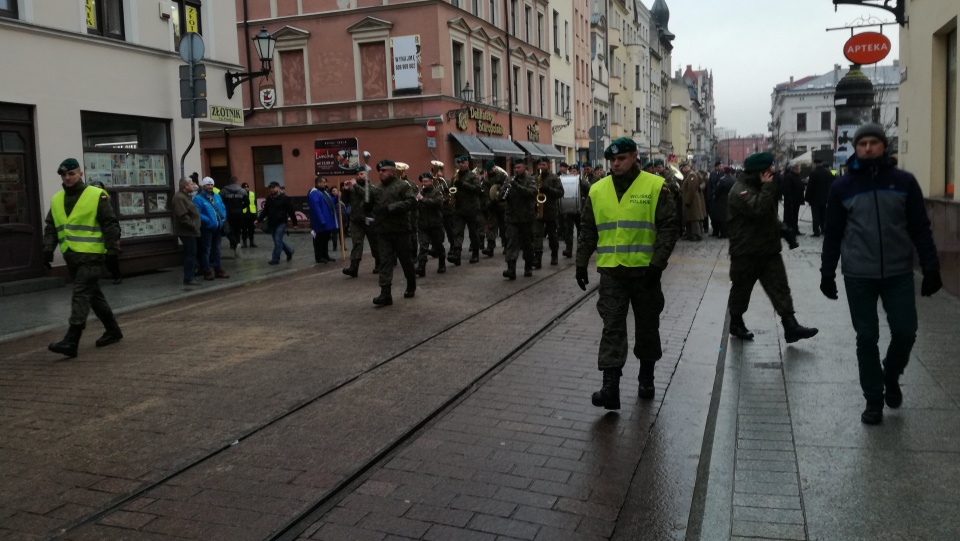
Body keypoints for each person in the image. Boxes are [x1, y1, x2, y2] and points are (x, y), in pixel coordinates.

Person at [819, 123, 942, 425]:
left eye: (874, 142)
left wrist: (931, 267)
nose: (868, 148)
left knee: (905, 330)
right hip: (858, 272)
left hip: (898, 271)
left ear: (884, 146)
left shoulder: (904, 182)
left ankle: (891, 373)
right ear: (856, 148)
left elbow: (920, 227)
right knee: (867, 337)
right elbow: (833, 233)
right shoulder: (842, 187)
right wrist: (827, 273)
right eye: (863, 144)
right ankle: (873, 399)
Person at [575, 138, 679, 408]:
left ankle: (646, 377)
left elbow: (669, 227)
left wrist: (658, 264)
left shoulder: (655, 186)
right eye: (612, 160)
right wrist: (581, 261)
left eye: (621, 158)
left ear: (634, 157)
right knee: (612, 327)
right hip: (612, 272)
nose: (616, 164)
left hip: (646, 272)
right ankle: (610, 387)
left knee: (647, 327)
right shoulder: (598, 190)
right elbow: (587, 230)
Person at [726, 152, 817, 343]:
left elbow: (768, 216)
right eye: (770, 170)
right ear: (760, 172)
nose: (774, 173)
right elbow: (758, 209)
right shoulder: (740, 190)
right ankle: (736, 323)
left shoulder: (760, 187)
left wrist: (784, 230)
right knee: (741, 290)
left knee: (780, 288)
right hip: (746, 252)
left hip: (768, 250)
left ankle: (790, 325)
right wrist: (768, 188)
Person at [43, 158, 123, 358]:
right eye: (64, 175)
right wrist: (47, 249)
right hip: (71, 256)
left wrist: (113, 250)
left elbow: (110, 224)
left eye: (71, 174)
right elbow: (51, 228)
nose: (67, 178)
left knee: (80, 293)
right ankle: (113, 331)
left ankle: (72, 339)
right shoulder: (57, 199)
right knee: (93, 296)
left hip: (92, 255)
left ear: (80, 174)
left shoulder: (96, 195)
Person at [368, 160, 418, 305]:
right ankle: (385, 293)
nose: (381, 173)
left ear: (392, 171)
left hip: (400, 230)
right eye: (379, 170)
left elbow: (412, 202)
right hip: (383, 231)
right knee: (385, 261)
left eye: (384, 170)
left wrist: (391, 208)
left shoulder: (403, 186)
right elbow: (368, 205)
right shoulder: (376, 189)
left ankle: (411, 283)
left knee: (405, 260)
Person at [501, 158, 538, 279]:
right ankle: (511, 269)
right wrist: (503, 192)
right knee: (511, 243)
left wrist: (517, 186)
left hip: (527, 218)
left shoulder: (530, 180)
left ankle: (528, 267)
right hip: (512, 218)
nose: (516, 170)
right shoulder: (509, 180)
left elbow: (532, 193)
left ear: (524, 168)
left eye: (519, 168)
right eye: (515, 168)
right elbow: (501, 194)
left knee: (528, 244)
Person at [342, 168, 380, 277]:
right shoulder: (353, 188)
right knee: (357, 244)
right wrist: (345, 190)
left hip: (370, 220)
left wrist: (355, 186)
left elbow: (367, 196)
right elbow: (345, 201)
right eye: (357, 174)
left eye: (362, 174)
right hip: (356, 220)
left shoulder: (372, 186)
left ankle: (379, 264)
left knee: (375, 243)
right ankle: (354, 268)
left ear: (366, 175)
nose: (359, 176)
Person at [448, 155, 483, 265]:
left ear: (467, 164)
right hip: (459, 209)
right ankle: (457, 254)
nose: (461, 165)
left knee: (473, 233)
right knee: (457, 232)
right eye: (459, 163)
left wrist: (463, 184)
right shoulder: (455, 177)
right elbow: (451, 189)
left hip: (472, 209)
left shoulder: (473, 176)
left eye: (463, 163)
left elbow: (477, 190)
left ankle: (475, 253)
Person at [194, 177, 229, 280]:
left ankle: (218, 269)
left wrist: (223, 218)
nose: (210, 186)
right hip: (207, 228)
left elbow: (223, 208)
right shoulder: (198, 198)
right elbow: (197, 214)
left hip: (218, 227)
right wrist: (209, 221)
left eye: (211, 185)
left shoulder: (217, 196)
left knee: (217, 250)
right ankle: (206, 270)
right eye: (207, 185)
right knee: (206, 250)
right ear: (203, 186)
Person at [533, 157, 565, 267]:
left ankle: (554, 255)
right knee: (537, 235)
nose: (541, 167)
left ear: (548, 166)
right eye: (540, 165)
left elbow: (561, 192)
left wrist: (548, 190)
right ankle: (537, 259)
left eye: (543, 165)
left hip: (551, 211)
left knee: (552, 235)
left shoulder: (554, 178)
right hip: (538, 211)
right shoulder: (535, 178)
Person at [258, 181, 298, 265]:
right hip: (271, 223)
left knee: (277, 240)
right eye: (271, 188)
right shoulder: (269, 198)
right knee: (278, 241)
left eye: (273, 187)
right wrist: (258, 219)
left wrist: (295, 223)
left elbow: (291, 211)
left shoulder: (284, 198)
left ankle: (275, 259)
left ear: (278, 188)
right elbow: (265, 210)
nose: (272, 189)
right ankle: (289, 251)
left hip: (281, 223)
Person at [415, 172, 446, 276]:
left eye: (426, 181)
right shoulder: (420, 193)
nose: (424, 183)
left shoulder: (437, 191)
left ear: (431, 181)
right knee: (423, 246)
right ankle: (421, 267)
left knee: (438, 245)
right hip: (423, 224)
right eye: (423, 182)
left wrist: (423, 199)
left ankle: (442, 263)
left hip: (435, 224)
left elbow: (437, 203)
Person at [173, 178, 202, 285]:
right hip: (187, 231)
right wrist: (193, 226)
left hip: (191, 231)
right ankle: (189, 277)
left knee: (192, 254)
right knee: (190, 254)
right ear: (185, 186)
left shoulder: (186, 196)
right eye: (191, 184)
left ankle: (191, 275)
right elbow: (182, 216)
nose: (193, 185)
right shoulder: (179, 198)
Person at [308, 176, 338, 264]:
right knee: (319, 240)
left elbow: (330, 202)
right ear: (318, 183)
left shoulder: (324, 192)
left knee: (325, 239)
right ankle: (319, 257)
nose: (326, 184)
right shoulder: (314, 193)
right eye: (324, 182)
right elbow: (316, 208)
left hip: (327, 220)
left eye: (326, 182)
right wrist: (321, 219)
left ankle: (325, 255)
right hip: (320, 222)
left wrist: (336, 197)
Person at [481, 160, 508, 257]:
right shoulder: (486, 179)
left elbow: (505, 188)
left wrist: (497, 198)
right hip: (492, 206)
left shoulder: (502, 176)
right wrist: (488, 202)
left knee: (504, 227)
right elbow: (485, 192)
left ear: (494, 167)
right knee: (491, 226)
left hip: (502, 205)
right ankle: (490, 246)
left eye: (491, 169)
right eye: (488, 170)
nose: (490, 171)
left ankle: (506, 246)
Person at [219, 176, 247, 257]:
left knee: (228, 230)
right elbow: (247, 202)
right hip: (239, 213)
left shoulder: (224, 191)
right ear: (236, 182)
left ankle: (234, 244)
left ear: (229, 182)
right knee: (238, 230)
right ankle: (236, 245)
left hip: (228, 213)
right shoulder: (242, 191)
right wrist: (241, 208)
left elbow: (221, 202)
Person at [805, 158, 834, 236]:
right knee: (823, 215)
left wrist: (807, 197)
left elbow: (810, 187)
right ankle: (824, 229)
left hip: (815, 199)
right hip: (825, 198)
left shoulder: (813, 173)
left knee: (815, 216)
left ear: (815, 164)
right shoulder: (828, 173)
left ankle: (816, 231)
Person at [680, 162, 705, 241]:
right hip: (690, 200)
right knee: (689, 218)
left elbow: (691, 190)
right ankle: (690, 234)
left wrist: (687, 201)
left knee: (694, 218)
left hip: (692, 201)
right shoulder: (688, 175)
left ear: (686, 167)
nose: (681, 170)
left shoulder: (692, 175)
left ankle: (697, 235)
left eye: (682, 168)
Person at [709, 167, 736, 238]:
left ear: (724, 172)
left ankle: (723, 233)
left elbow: (717, 191)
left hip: (721, 200)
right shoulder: (734, 180)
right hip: (731, 200)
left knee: (721, 218)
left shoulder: (722, 180)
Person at [781, 162, 806, 237]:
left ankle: (795, 229)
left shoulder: (796, 176)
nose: (800, 170)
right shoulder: (789, 176)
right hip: (791, 201)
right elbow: (787, 189)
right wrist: (790, 199)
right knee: (790, 216)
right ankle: (790, 230)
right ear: (795, 169)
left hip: (796, 200)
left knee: (795, 216)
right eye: (799, 168)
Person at [707, 161, 723, 236]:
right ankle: (715, 231)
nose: (720, 168)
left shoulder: (724, 174)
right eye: (718, 166)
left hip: (720, 198)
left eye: (721, 166)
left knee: (720, 216)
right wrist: (709, 196)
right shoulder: (712, 174)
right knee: (713, 216)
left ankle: (721, 231)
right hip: (713, 198)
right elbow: (709, 186)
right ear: (716, 167)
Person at [240, 182, 257, 248]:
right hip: (244, 214)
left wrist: (256, 214)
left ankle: (251, 242)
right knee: (244, 229)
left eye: (247, 187)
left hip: (252, 213)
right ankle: (244, 243)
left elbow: (255, 204)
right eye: (244, 187)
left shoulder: (252, 194)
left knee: (252, 229)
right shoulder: (240, 194)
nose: (246, 188)